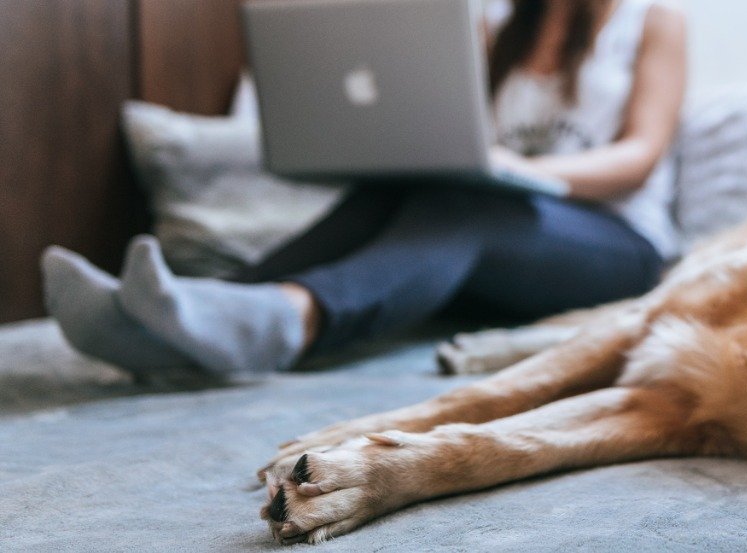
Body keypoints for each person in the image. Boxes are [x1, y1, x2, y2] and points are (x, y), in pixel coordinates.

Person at [41, 0, 687, 377]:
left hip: (617, 245)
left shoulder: (653, 18)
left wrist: (526, 172)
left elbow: (640, 154)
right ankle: (190, 314)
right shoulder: (499, 26)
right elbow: (458, 134)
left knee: (465, 205)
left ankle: (290, 318)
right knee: (409, 192)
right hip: (504, 223)